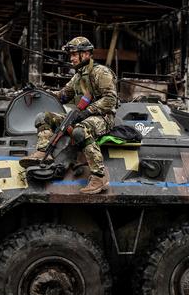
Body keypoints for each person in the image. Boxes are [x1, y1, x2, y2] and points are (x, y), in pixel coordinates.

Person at [20, 36, 117, 194]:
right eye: (70, 55)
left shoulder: (101, 72)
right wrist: (38, 92)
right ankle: (44, 151)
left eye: (74, 54)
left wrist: (87, 111)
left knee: (80, 131)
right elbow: (63, 95)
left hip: (104, 117)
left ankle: (99, 177)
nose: (71, 58)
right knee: (43, 117)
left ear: (85, 54)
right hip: (82, 114)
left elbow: (111, 100)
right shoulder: (78, 76)